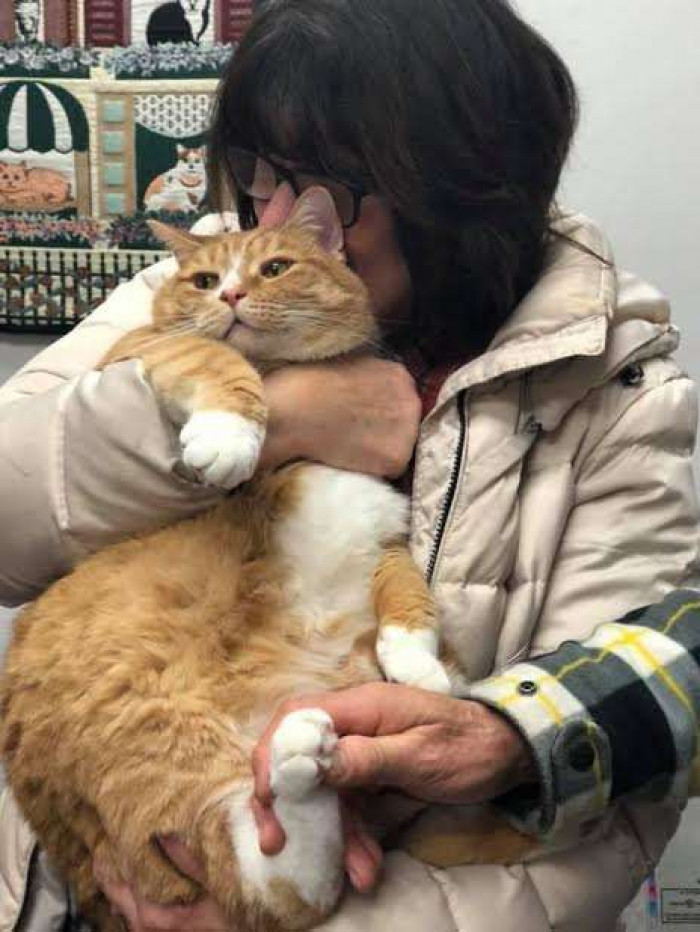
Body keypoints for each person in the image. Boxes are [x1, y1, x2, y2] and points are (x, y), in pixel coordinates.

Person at [0, 0, 698, 929]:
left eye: (326, 182)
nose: (278, 216)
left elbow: (599, 810)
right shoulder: (219, 276)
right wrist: (282, 419)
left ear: (459, 179)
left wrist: (253, 918)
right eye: (258, 175)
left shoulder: (616, 388)